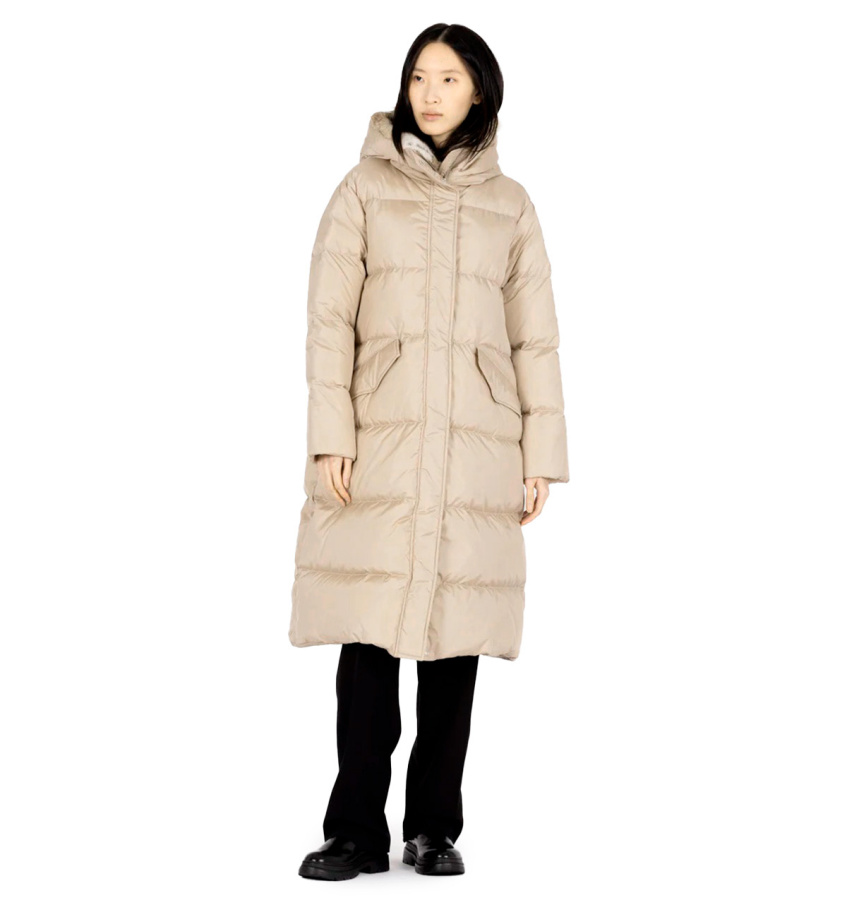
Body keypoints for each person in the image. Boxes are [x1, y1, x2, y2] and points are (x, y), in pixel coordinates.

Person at [290, 23, 570, 881]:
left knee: (455, 643)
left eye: (448, 78)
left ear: (479, 89)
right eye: (419, 76)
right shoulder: (362, 190)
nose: (430, 92)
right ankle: (353, 831)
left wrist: (539, 454)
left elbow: (534, 339)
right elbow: (328, 321)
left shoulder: (510, 206)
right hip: (380, 441)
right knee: (367, 640)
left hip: (476, 446)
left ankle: (433, 829)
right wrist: (329, 437)